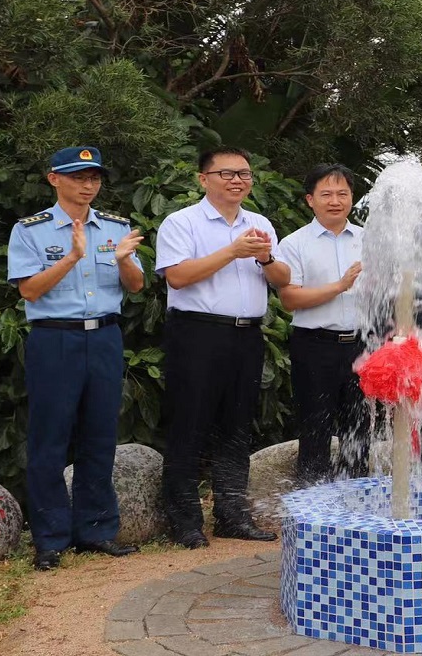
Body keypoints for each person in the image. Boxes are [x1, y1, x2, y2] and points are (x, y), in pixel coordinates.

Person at [7, 147, 145, 571]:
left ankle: (96, 530)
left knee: (100, 435)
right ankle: (50, 538)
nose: (88, 185)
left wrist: (123, 260)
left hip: (104, 336)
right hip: (55, 339)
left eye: (94, 177)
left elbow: (136, 286)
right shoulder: (30, 230)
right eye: (78, 177)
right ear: (54, 179)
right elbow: (29, 290)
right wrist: (71, 257)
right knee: (49, 438)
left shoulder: (116, 227)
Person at [156, 148, 290, 546]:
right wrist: (232, 251)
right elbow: (178, 276)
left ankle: (232, 515)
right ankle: (185, 521)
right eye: (226, 173)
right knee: (189, 422)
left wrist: (266, 257)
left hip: (246, 335)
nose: (237, 180)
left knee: (237, 426)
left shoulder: (259, 223)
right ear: (203, 179)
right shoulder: (182, 222)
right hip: (197, 332)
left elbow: (283, 279)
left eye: (244, 174)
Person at [274, 163, 368, 485]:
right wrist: (340, 286)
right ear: (310, 200)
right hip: (315, 345)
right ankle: (313, 501)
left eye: (343, 193)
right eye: (326, 194)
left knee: (359, 429)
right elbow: (290, 299)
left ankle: (357, 496)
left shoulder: (369, 240)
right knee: (315, 426)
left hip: (361, 345)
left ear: (352, 197)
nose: (335, 201)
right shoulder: (294, 243)